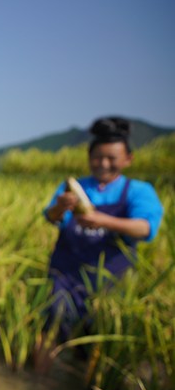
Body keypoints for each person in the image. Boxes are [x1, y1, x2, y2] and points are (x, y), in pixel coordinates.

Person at [38, 116, 164, 368]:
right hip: (66, 273)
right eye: (98, 157)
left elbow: (145, 227)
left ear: (128, 159)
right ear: (89, 157)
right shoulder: (73, 188)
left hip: (109, 281)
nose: (104, 164)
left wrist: (103, 221)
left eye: (112, 158)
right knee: (52, 324)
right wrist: (61, 207)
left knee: (96, 343)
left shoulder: (138, 191)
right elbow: (50, 217)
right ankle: (38, 378)